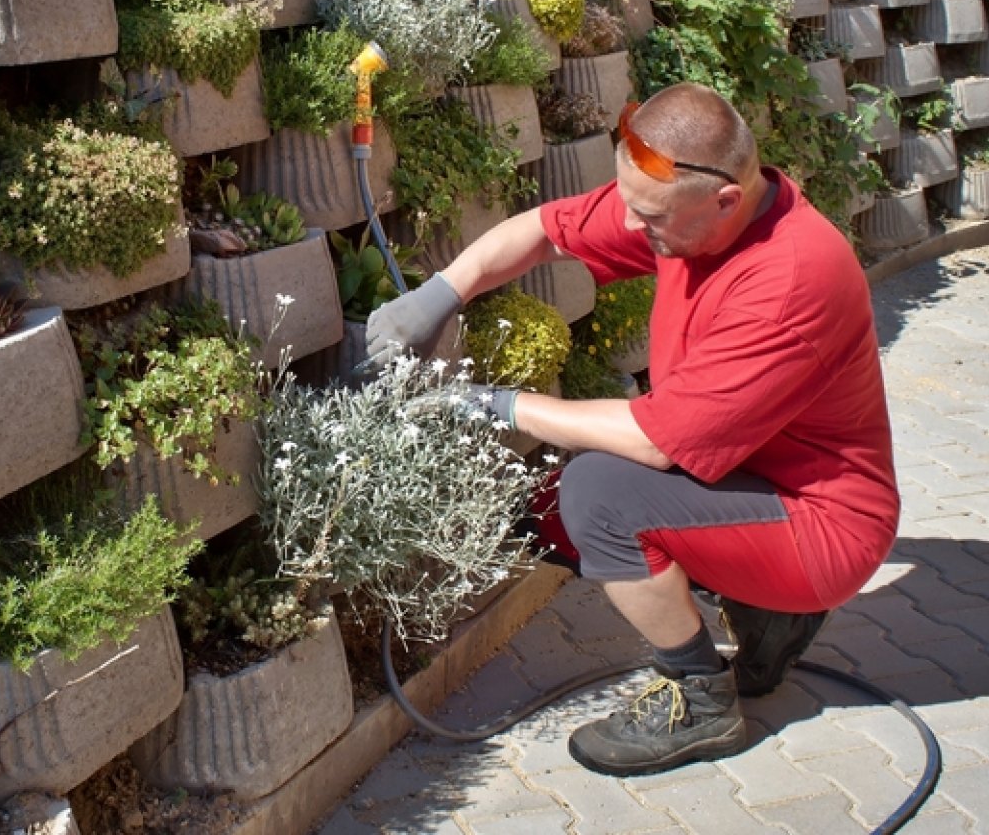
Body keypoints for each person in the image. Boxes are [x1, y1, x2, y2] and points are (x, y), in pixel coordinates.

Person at [365, 82, 898, 776]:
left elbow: (653, 439)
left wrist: (486, 404)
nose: (627, 222)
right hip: (755, 483)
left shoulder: (791, 277)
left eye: (646, 217)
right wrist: (440, 294)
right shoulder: (682, 208)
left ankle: (700, 697)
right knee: (552, 512)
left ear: (726, 200)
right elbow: (541, 231)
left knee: (595, 497)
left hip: (821, 528)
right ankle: (768, 612)